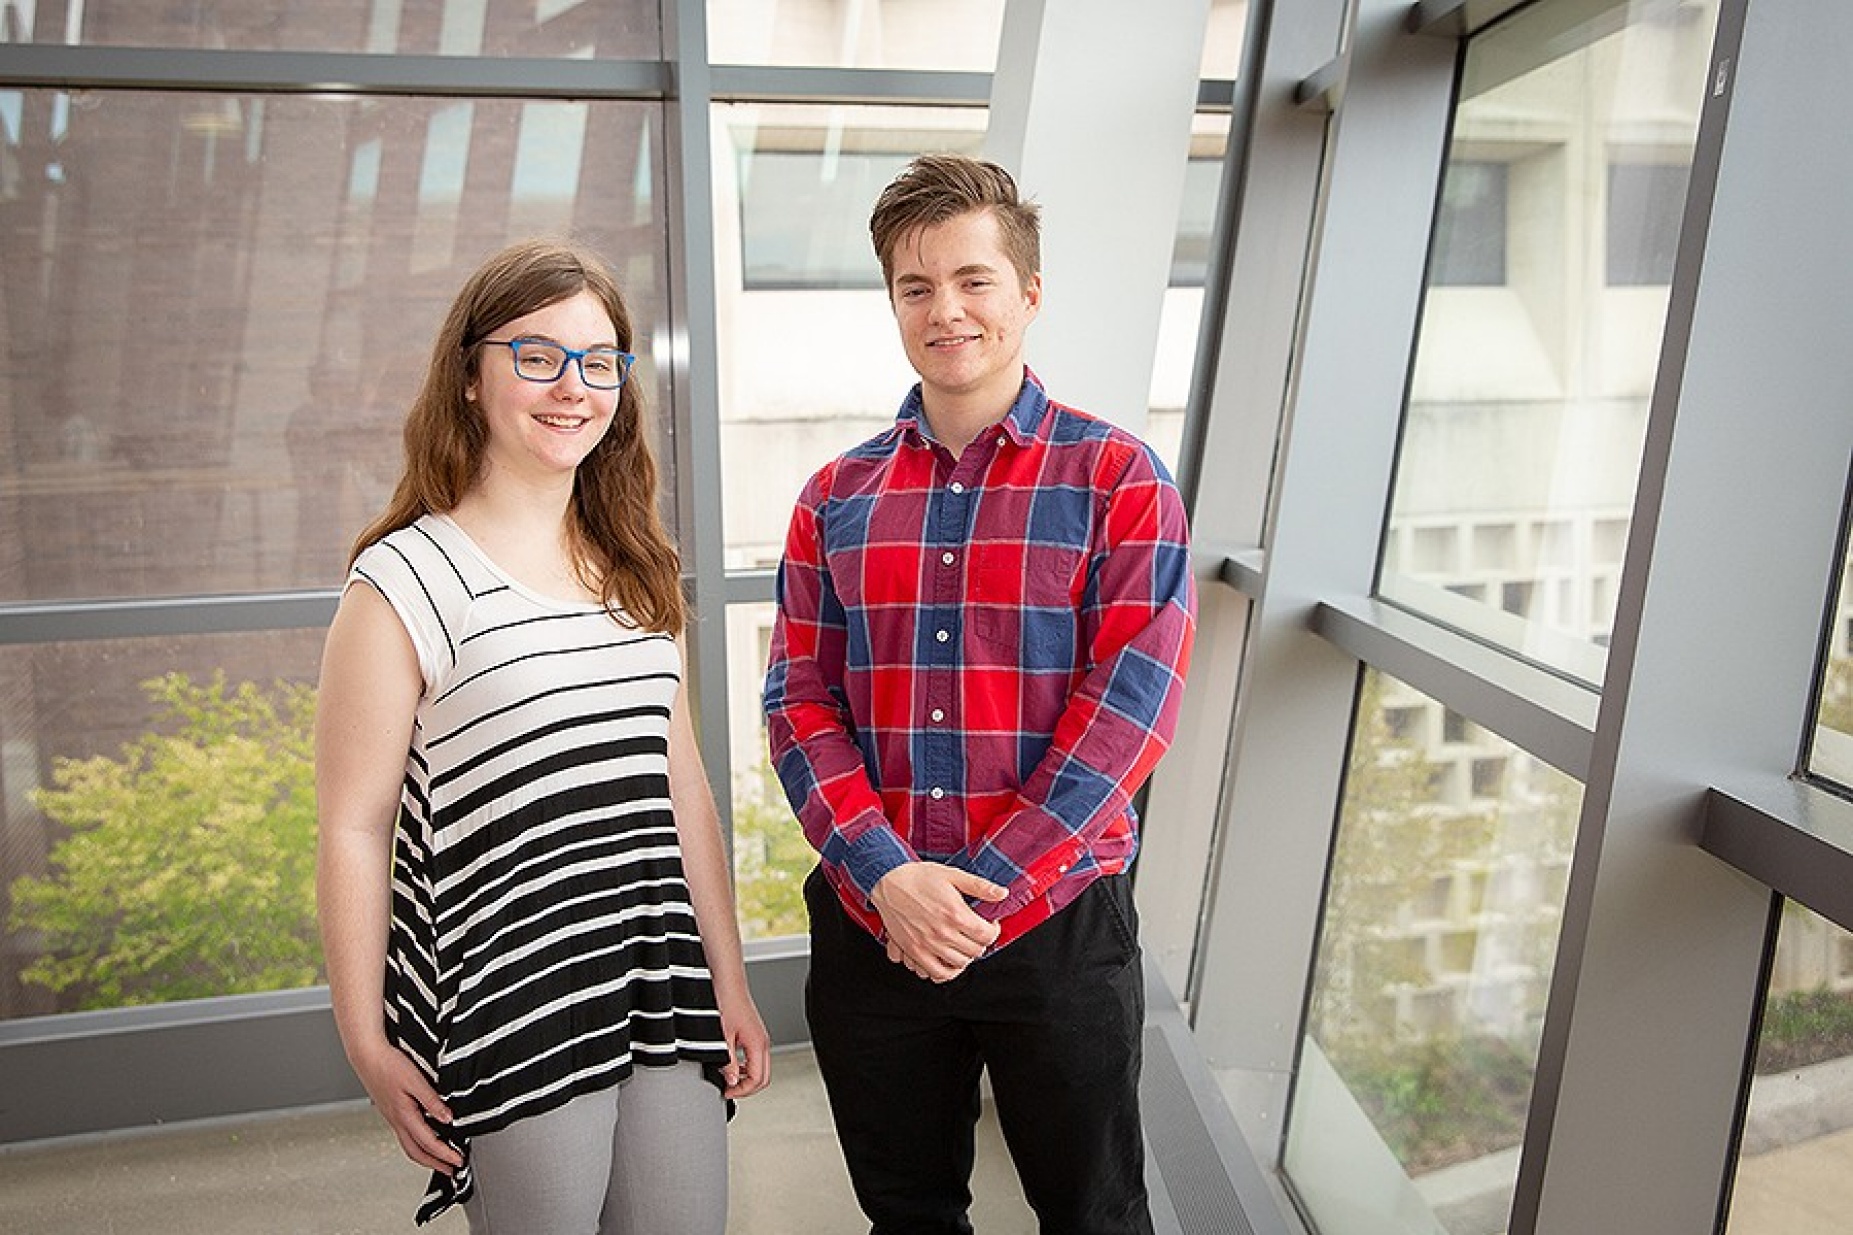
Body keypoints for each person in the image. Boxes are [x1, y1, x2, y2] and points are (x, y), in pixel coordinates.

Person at [763, 153, 1197, 1234]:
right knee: (908, 1216)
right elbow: (797, 699)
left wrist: (974, 892)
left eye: (972, 280)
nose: (943, 310)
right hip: (875, 925)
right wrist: (890, 878)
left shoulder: (1119, 479)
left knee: (1094, 1214)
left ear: (1028, 293)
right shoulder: (833, 498)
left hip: (1055, 924)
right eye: (915, 288)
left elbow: (1131, 706)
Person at [315, 238, 770, 1233]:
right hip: (516, 985)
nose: (572, 385)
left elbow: (680, 788)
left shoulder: (638, 568)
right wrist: (364, 1036)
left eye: (597, 359)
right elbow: (353, 825)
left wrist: (727, 977)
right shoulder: (405, 581)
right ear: (470, 377)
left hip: (660, 972)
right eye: (536, 355)